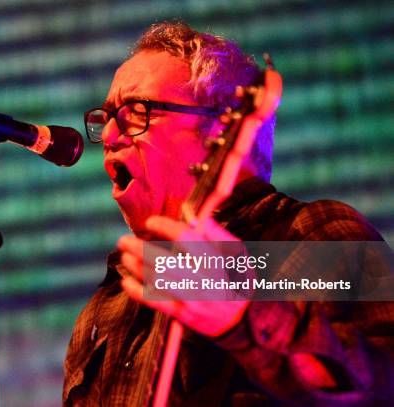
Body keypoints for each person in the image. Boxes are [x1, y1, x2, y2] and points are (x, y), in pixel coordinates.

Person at [63, 21, 393, 406]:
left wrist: (243, 317)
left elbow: (381, 383)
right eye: (106, 118)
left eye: (137, 111)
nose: (111, 136)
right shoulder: (109, 304)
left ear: (222, 124)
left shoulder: (318, 235)